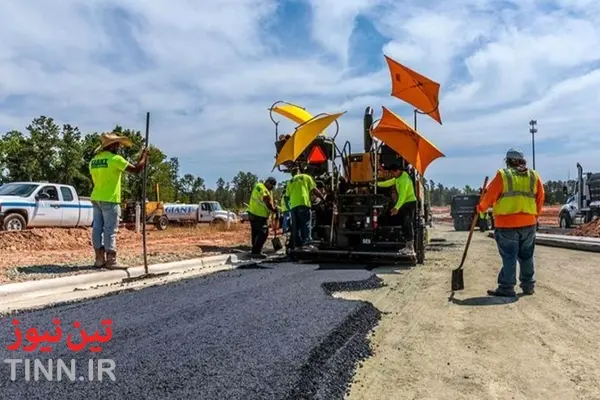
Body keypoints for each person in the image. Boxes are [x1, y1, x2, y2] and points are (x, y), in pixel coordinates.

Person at [477, 148, 545, 297]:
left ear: (508, 161)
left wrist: (481, 207)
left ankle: (507, 287)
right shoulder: (534, 176)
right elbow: (540, 197)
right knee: (527, 256)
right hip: (529, 223)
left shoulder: (503, 176)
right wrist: (535, 216)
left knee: (509, 256)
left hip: (506, 225)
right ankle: (528, 286)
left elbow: (490, 196)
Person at [89, 132, 148, 268]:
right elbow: (137, 169)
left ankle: (99, 258)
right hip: (110, 199)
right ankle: (111, 260)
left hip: (96, 197)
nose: (119, 147)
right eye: (118, 144)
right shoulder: (115, 159)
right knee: (110, 229)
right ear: (113, 145)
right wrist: (144, 157)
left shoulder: (94, 161)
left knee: (97, 228)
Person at [376, 164, 417, 256]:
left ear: (397, 170)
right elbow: (388, 183)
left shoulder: (404, 180)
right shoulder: (399, 177)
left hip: (410, 203)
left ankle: (411, 248)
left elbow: (402, 196)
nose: (392, 174)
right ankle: (407, 246)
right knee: (403, 223)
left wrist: (396, 207)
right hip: (405, 203)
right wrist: (375, 183)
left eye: (393, 172)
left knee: (408, 223)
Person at [286, 167, 325, 249]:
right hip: (303, 203)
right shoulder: (305, 177)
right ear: (299, 171)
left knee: (296, 226)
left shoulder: (290, 182)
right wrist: (322, 198)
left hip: (293, 205)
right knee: (306, 223)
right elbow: (314, 190)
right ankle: (307, 243)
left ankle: (297, 245)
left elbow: (287, 196)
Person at [247, 177, 277, 258]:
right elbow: (266, 200)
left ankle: (254, 250)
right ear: (267, 182)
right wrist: (274, 209)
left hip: (254, 214)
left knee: (256, 233)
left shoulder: (261, 187)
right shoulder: (262, 188)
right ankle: (256, 252)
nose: (272, 187)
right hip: (258, 215)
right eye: (271, 185)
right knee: (263, 233)